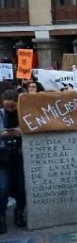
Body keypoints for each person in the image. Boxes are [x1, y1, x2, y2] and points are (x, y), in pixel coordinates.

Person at [0, 90, 26, 232]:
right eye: (7, 107)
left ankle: (19, 213)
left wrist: (21, 132)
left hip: (20, 155)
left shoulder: (25, 112)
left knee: (22, 187)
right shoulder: (0, 114)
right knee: (3, 187)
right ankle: (1, 217)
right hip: (3, 156)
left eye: (12, 107)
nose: (10, 110)